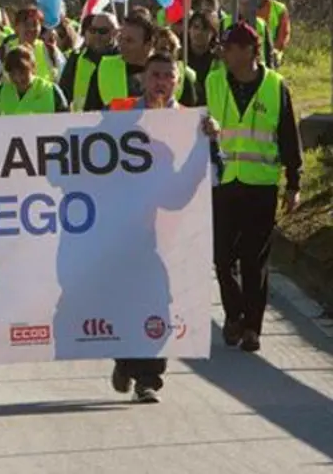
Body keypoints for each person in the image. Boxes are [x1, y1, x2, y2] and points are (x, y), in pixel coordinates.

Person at [107, 52, 218, 403]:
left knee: (160, 301)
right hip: (125, 227)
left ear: (177, 81)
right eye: (155, 75)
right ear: (143, 78)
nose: (161, 82)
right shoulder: (121, 113)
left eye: (168, 76)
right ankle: (126, 361)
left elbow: (217, 173)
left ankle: (149, 378)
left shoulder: (190, 121)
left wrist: (212, 142)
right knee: (123, 300)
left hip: (170, 232)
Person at [205, 24, 303, 353]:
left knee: (253, 260)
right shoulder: (214, 81)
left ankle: (252, 328)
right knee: (221, 258)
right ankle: (234, 313)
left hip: (260, 185)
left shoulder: (275, 86)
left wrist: (294, 182)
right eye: (224, 47)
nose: (225, 53)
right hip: (223, 182)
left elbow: (289, 135)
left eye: (231, 47)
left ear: (250, 50)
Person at [60, 12, 119, 112]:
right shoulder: (76, 58)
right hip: (82, 122)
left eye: (103, 31)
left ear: (115, 32)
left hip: (116, 122)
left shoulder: (123, 60)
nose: (97, 35)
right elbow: (64, 95)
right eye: (93, 30)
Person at [0, 45, 69, 115]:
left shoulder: (52, 90)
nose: (18, 78)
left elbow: (66, 120)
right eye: (12, 74)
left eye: (23, 72)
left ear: (33, 68)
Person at [0, 6, 58, 82]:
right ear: (16, 27)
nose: (31, 28)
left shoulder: (50, 51)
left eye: (35, 24)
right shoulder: (3, 52)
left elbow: (62, 81)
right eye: (26, 24)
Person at [152, 27, 198, 107]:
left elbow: (191, 107)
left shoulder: (185, 76)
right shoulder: (145, 73)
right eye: (160, 49)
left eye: (168, 49)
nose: (164, 54)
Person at [186, 11, 222, 105]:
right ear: (189, 29)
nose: (199, 32)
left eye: (205, 29)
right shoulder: (179, 57)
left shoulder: (218, 59)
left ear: (213, 33)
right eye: (196, 27)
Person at [256, 0, 291, 67]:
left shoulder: (279, 8)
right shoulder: (246, 6)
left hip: (273, 51)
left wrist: (275, 50)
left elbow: (284, 33)